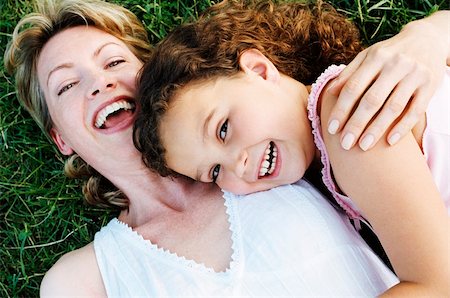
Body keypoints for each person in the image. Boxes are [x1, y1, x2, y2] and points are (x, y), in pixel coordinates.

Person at [4, 0, 448, 296]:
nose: (99, 82)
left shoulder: (289, 148)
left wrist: (426, 35)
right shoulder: (83, 278)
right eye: (66, 85)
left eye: (115, 61)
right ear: (61, 138)